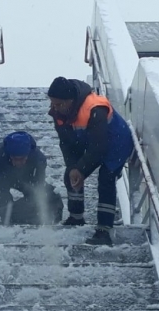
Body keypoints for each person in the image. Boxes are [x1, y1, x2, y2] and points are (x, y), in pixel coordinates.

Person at [47, 76, 134, 246]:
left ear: (70, 101)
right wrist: (74, 167)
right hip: (86, 139)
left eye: (58, 104)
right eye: (52, 103)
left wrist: (81, 168)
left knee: (106, 179)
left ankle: (104, 230)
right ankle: (76, 217)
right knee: (70, 176)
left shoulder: (95, 108)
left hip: (116, 142)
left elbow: (99, 147)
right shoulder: (58, 112)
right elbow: (66, 143)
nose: (54, 108)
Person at [0, 131, 63, 226]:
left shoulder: (39, 160)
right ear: (10, 155)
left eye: (21, 159)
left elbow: (38, 186)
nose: (18, 163)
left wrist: (26, 206)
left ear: (27, 155)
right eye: (15, 159)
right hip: (2, 176)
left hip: (27, 179)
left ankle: (47, 221)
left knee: (48, 194)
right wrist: (7, 208)